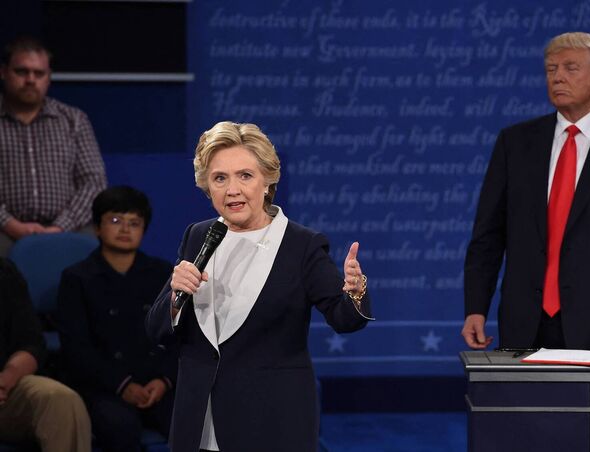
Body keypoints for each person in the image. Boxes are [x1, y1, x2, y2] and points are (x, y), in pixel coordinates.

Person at [462, 32, 590, 452]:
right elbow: (488, 234)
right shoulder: (515, 143)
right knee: (527, 438)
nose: (557, 77)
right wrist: (475, 306)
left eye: (570, 68)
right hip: (527, 321)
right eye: (551, 70)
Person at [145, 121, 374, 452]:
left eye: (245, 176)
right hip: (198, 420)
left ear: (267, 181)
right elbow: (156, 330)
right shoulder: (198, 235)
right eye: (220, 178)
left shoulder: (301, 245)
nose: (232, 189)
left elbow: (345, 319)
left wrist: (355, 288)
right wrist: (174, 297)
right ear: (207, 187)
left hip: (272, 421)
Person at [56, 186, 175, 452]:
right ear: (97, 228)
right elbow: (77, 348)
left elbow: (178, 335)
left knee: (196, 419)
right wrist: (122, 385)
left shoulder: (162, 273)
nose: (125, 229)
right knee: (119, 428)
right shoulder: (77, 278)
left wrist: (164, 380)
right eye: (115, 221)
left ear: (144, 230)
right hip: (105, 387)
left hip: (157, 384)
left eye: (134, 223)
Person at [0, 36, 107, 256]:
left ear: (48, 78)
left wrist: (60, 227)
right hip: (5, 230)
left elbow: (93, 183)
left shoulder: (73, 119)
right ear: (4, 72)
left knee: (96, 262)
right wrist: (10, 224)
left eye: (38, 73)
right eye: (21, 72)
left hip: (70, 226)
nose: (30, 80)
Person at [0, 257, 91, 452]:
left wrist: (6, 380)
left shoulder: (4, 271)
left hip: (5, 391)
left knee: (61, 401)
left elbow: (31, 343)